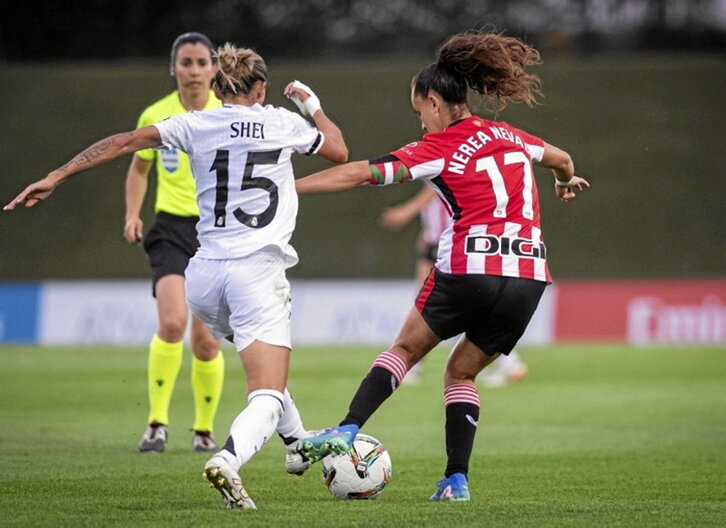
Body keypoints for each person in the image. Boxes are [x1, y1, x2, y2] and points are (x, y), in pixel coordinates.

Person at [4, 43, 349, 510]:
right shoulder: (281, 122)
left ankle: (295, 445)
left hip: (203, 278)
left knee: (260, 361)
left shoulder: (195, 123)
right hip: (257, 274)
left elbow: (123, 142)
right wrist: (312, 106)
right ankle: (227, 459)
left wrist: (57, 175)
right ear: (262, 87)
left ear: (217, 87)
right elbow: (339, 151)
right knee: (266, 391)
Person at [292, 30, 589, 501]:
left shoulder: (442, 145)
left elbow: (362, 173)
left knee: (406, 350)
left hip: (470, 266)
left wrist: (291, 187)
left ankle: (346, 430)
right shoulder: (511, 134)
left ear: (434, 101)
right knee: (462, 373)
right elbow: (563, 159)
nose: (421, 125)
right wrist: (564, 182)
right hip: (529, 278)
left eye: (419, 113)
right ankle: (456, 480)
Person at [124, 32, 224, 454]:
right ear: (174, 68)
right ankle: (156, 424)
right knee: (171, 323)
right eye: (187, 62)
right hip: (169, 230)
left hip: (215, 233)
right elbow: (139, 169)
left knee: (207, 341)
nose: (195, 70)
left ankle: (203, 430)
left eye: (203, 62)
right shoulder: (157, 114)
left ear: (214, 69)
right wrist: (132, 213)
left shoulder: (228, 113)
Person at [380, 186, 529, 387]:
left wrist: (407, 210)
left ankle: (410, 366)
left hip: (448, 239)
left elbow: (435, 188)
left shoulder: (437, 158)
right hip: (440, 237)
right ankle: (510, 362)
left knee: (427, 303)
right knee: (444, 305)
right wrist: (426, 230)